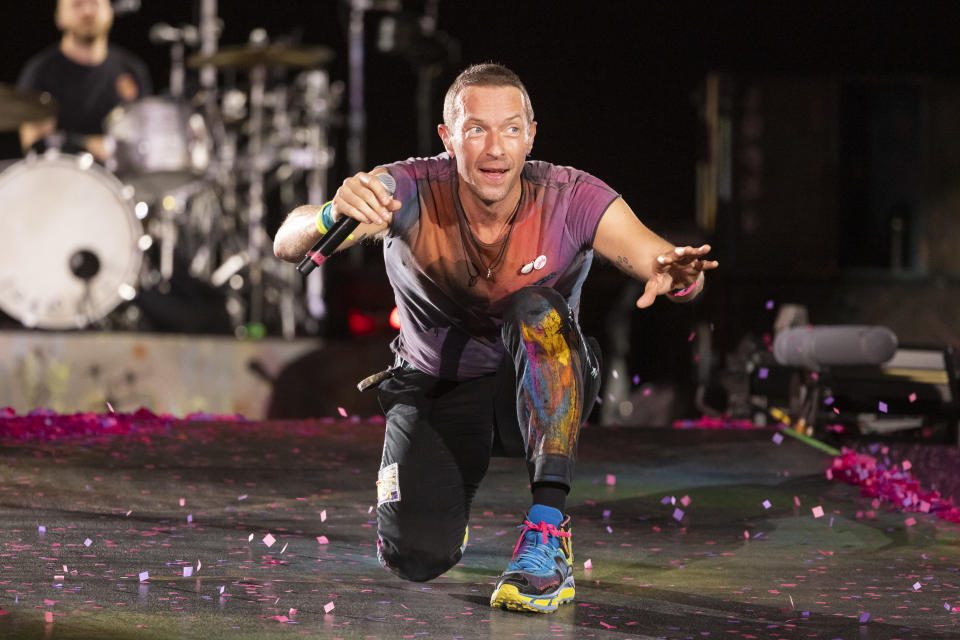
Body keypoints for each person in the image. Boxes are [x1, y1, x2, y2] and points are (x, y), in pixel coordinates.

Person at [274, 63, 718, 613]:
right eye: (476, 129)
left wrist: (681, 280)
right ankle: (443, 507)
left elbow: (661, 261)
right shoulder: (405, 189)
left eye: (510, 129)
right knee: (414, 557)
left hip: (538, 383)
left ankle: (548, 532)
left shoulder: (572, 196)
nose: (495, 148)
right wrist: (328, 213)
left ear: (531, 135)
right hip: (437, 385)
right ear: (448, 138)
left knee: (536, 307)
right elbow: (287, 243)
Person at [17, 0, 151, 162]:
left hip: (121, 181)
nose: (87, 12)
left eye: (95, 3)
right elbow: (33, 145)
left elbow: (145, 139)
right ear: (59, 17)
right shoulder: (40, 72)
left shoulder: (132, 70)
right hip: (62, 178)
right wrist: (89, 145)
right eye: (77, 5)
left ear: (110, 11)